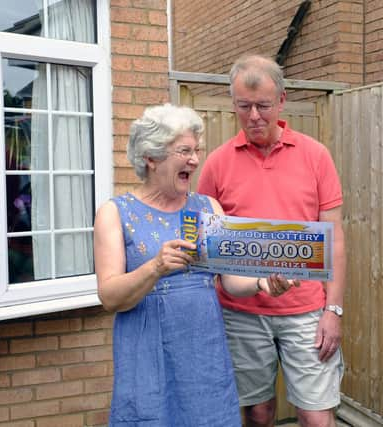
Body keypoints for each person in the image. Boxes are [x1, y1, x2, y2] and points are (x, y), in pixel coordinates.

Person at [93, 103, 297, 426]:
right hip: (147, 353)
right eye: (184, 151)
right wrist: (155, 268)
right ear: (151, 157)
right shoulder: (115, 214)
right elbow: (109, 296)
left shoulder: (208, 207)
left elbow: (230, 280)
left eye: (196, 150)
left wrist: (262, 284)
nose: (195, 159)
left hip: (204, 352)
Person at [197, 54, 346, 427]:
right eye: (243, 106)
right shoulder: (216, 163)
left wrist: (334, 310)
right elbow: (203, 241)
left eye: (262, 106)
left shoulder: (315, 156)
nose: (253, 116)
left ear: (281, 100)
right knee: (257, 414)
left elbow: (336, 240)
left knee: (316, 416)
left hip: (307, 312)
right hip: (241, 313)